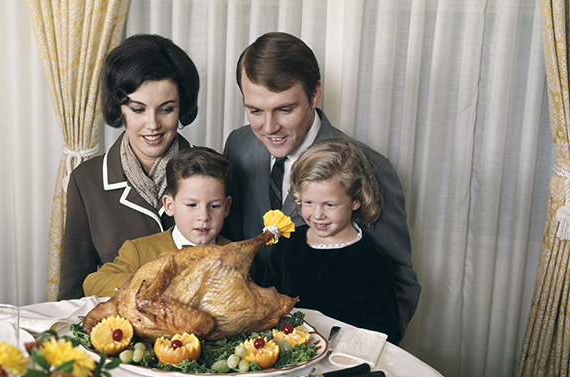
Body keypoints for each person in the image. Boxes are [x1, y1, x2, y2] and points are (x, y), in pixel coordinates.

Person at [221, 31, 420, 335]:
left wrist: (350, 354)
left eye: (285, 109)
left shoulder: (371, 168)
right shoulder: (239, 144)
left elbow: (399, 285)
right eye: (255, 111)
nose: (269, 127)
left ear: (315, 94)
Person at [58, 34, 200, 300]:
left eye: (166, 109)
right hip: (117, 335)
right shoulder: (86, 181)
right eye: (138, 109)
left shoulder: (214, 172)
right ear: (119, 108)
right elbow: (72, 292)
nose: (153, 124)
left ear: (181, 108)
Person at [264, 137, 402, 344]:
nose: (317, 214)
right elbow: (267, 302)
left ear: (356, 200)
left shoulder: (372, 261)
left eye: (330, 205)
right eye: (309, 202)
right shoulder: (285, 245)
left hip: (339, 361)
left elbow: (386, 331)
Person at [83, 146, 233, 297]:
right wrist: (152, 280)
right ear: (169, 205)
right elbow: (93, 283)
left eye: (214, 206)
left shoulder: (236, 254)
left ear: (226, 207)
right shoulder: (138, 251)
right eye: (191, 205)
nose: (204, 216)